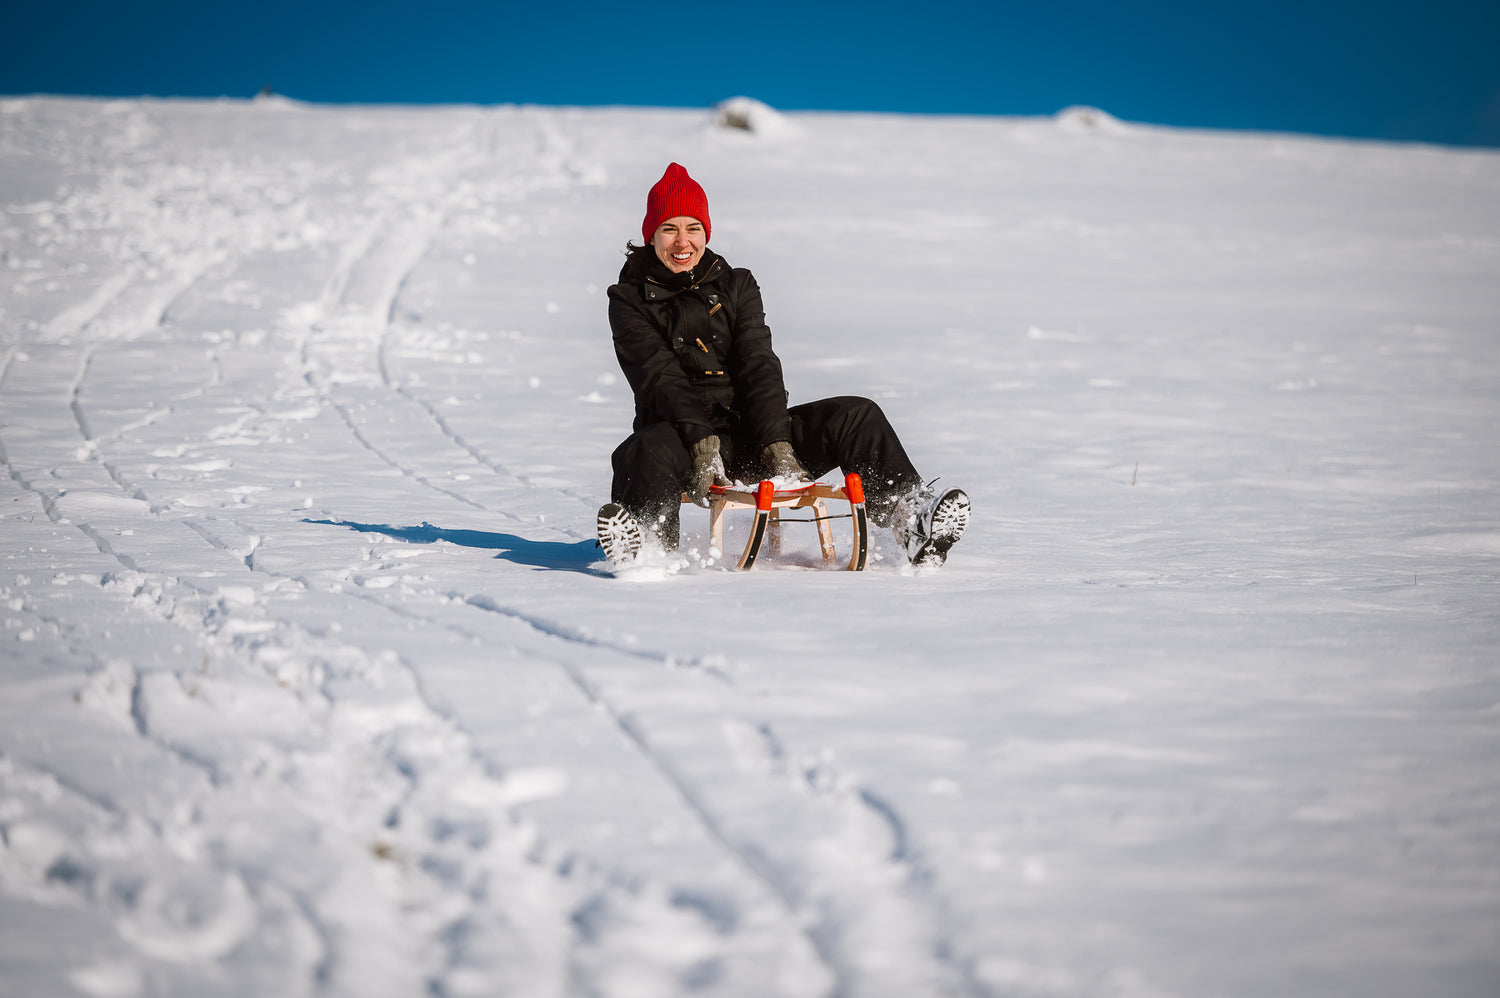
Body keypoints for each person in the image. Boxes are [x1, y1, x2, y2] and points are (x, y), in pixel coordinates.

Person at [597, 163, 969, 568]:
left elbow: (759, 364)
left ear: (707, 232)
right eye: (669, 228)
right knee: (642, 449)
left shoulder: (737, 285)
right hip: (682, 446)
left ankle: (912, 522)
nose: (682, 241)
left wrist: (777, 443)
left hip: (755, 437)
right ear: (651, 235)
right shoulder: (628, 299)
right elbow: (658, 378)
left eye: (693, 228)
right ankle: (645, 548)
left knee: (857, 414)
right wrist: (703, 447)